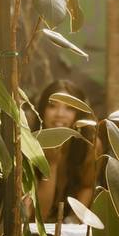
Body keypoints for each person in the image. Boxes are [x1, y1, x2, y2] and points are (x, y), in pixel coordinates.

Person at [33, 80, 101, 223]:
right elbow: (37, 217)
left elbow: (87, 185)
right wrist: (51, 164)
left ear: (78, 114)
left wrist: (73, 221)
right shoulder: (28, 141)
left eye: (69, 108)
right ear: (42, 109)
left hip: (69, 223)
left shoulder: (89, 143)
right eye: (52, 106)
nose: (60, 114)